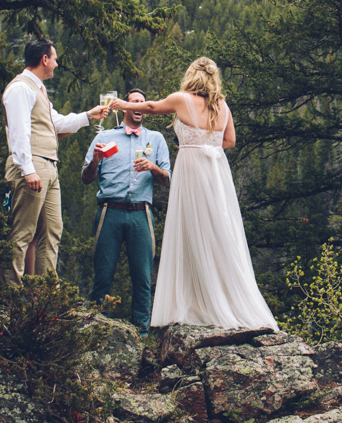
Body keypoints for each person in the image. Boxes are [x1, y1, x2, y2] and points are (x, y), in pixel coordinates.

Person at [111, 57, 278, 331]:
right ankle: (223, 299)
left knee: (191, 229)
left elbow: (152, 107)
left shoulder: (181, 99)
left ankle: (194, 302)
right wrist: (202, 143)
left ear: (191, 76)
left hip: (192, 169)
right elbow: (230, 141)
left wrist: (124, 104)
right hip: (216, 170)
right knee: (218, 229)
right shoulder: (222, 106)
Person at [2, 37, 109, 285]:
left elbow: (56, 123)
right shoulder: (20, 89)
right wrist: (27, 170)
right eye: (55, 58)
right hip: (32, 166)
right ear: (44, 59)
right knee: (22, 233)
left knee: (52, 231)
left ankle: (45, 296)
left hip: (49, 166)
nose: (57, 64)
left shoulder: (37, 89)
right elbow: (19, 133)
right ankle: (12, 296)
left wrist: (87, 116)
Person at [81, 88, 171, 334]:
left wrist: (153, 167)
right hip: (109, 211)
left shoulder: (156, 140)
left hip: (141, 213)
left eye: (142, 103)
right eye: (134, 102)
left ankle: (142, 334)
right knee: (103, 274)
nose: (139, 106)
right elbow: (86, 178)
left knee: (142, 278)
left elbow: (166, 179)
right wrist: (96, 160)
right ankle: (96, 330)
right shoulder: (106, 137)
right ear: (125, 107)